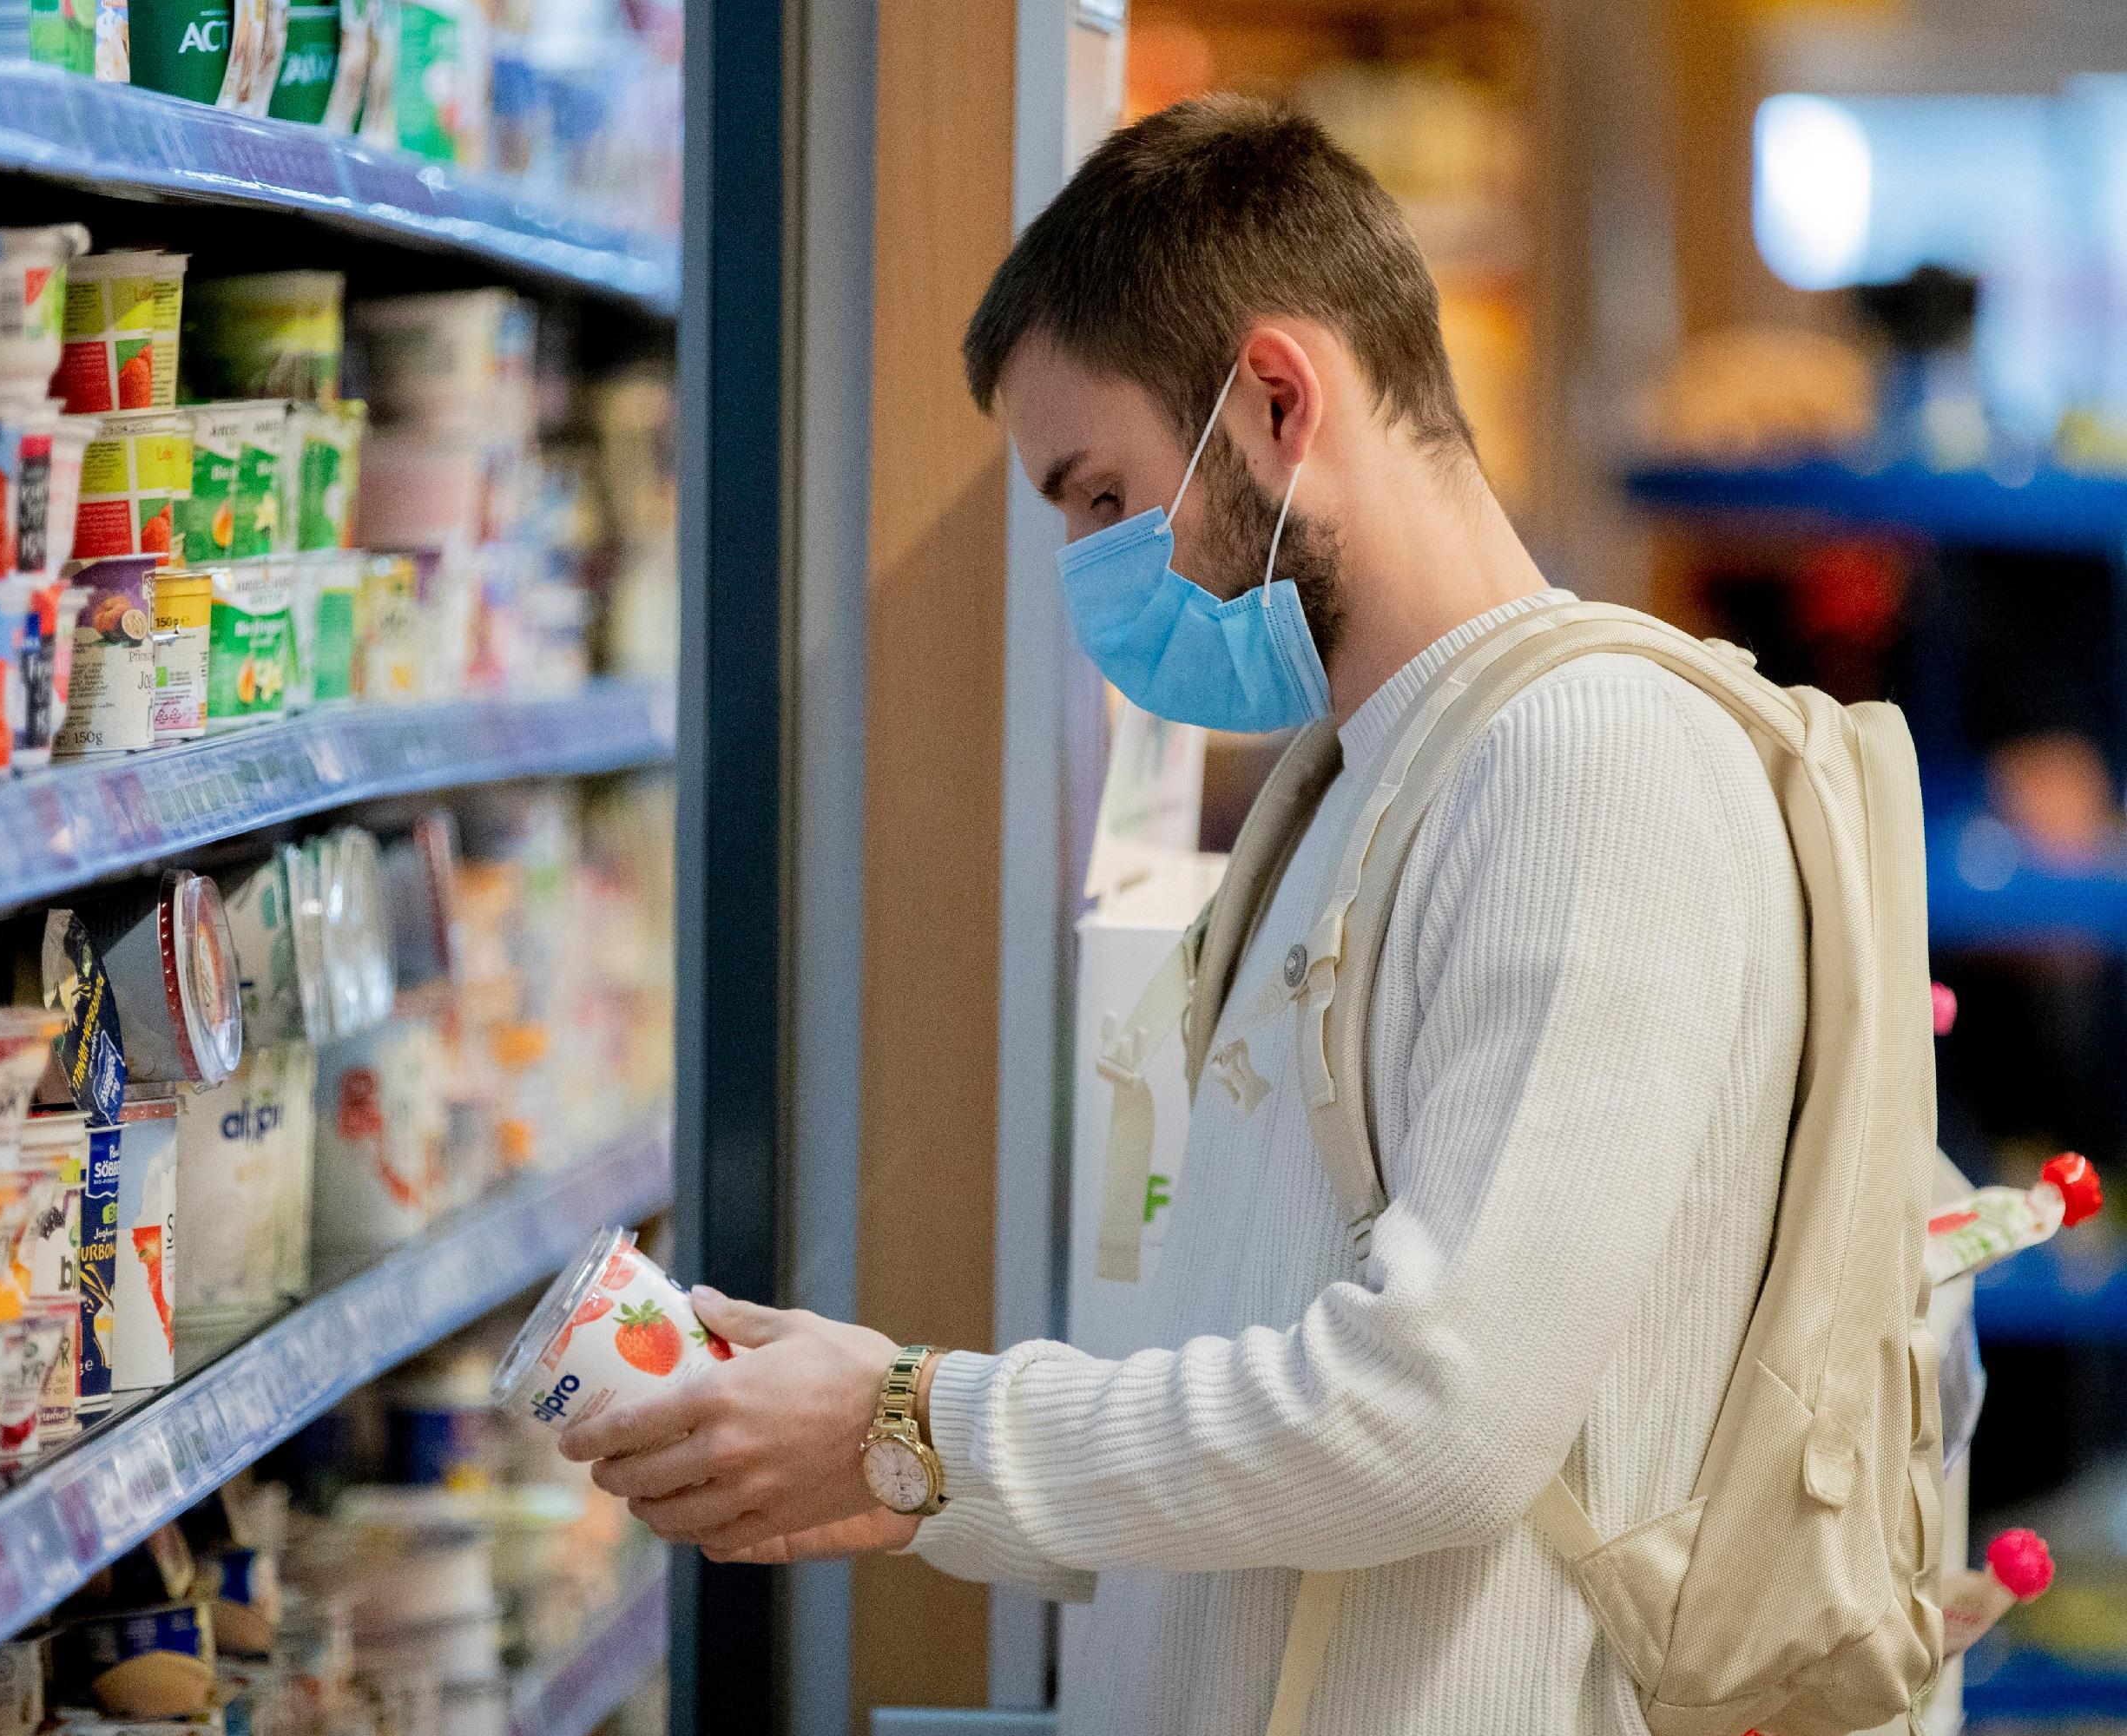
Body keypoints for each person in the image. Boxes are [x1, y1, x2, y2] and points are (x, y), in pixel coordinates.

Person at [560, 95, 1808, 1736]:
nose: (1091, 568)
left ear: (1277, 399)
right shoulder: (1361, 775)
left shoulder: (1589, 761)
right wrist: (910, 1471)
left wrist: (922, 1423)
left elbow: (1442, 1419)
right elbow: (1278, 1391)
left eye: (1099, 496)